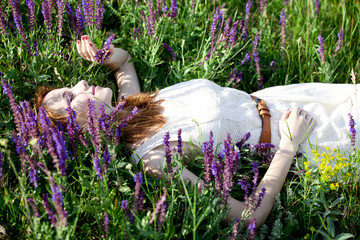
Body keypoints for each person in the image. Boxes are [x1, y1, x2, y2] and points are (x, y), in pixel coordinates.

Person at [37, 35, 356, 227]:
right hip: (314, 137)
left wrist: (104, 55)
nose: (79, 84)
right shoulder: (153, 157)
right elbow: (248, 217)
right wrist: (289, 144)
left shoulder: (132, 106)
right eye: (68, 97)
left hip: (296, 98)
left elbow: (124, 63)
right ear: (76, 131)